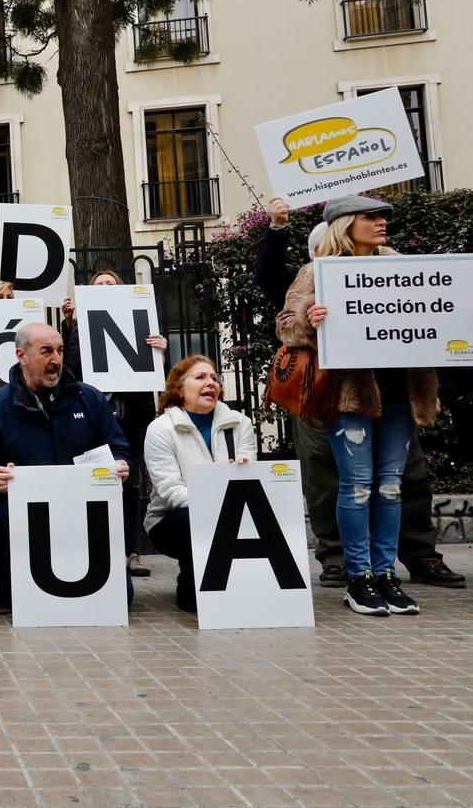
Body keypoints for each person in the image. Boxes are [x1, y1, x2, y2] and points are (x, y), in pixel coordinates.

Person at [254, 197, 462, 589]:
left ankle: (386, 575)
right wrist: (309, 318)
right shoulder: (316, 273)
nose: (383, 222)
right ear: (345, 224)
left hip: (399, 394)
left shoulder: (408, 270)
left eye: (384, 216)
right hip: (348, 397)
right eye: (372, 216)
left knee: (391, 486)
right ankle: (357, 575)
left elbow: (438, 321)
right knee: (357, 485)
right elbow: (285, 326)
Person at [0, 323, 131, 615]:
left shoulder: (88, 399)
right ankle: (8, 580)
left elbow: (119, 447)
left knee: (122, 597)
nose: (56, 360)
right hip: (21, 514)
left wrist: (121, 464)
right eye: (46, 351)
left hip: (81, 512)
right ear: (21, 356)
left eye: (61, 351)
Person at [60, 268, 168, 580]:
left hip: (133, 414)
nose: (105, 287)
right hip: (94, 415)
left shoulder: (141, 325)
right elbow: (70, 371)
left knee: (130, 483)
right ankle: (99, 548)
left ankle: (131, 552)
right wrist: (71, 328)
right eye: (99, 284)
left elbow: (161, 376)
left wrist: (161, 353)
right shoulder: (80, 329)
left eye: (111, 283)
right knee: (91, 479)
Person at [143, 355, 257, 613]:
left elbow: (250, 475)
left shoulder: (240, 424)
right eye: (200, 377)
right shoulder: (160, 429)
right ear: (179, 389)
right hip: (174, 519)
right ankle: (192, 586)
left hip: (232, 509)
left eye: (214, 378)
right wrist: (215, 507)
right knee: (194, 520)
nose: (211, 383)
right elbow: (171, 491)